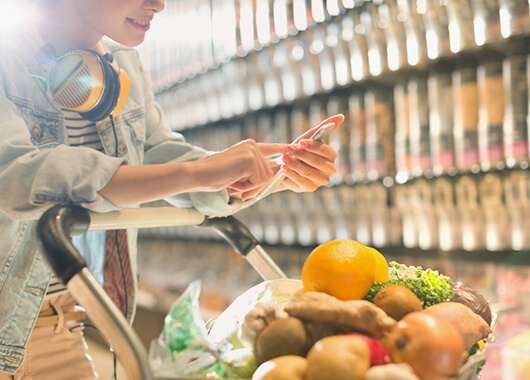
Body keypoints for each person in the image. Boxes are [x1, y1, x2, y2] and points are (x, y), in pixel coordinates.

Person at [0, 0, 343, 378]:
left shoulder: (124, 63)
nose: (159, 4)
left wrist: (262, 174)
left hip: (61, 324)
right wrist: (196, 173)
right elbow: (15, 175)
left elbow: (156, 154)